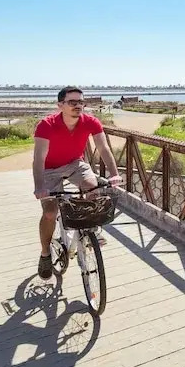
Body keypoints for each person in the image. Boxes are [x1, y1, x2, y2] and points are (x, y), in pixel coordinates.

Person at [32, 87, 121, 279]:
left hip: (74, 163)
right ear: (60, 105)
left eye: (81, 102)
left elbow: (103, 148)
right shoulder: (46, 125)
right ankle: (45, 253)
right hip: (49, 169)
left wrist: (114, 174)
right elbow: (38, 158)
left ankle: (92, 231)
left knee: (93, 187)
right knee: (49, 212)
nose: (78, 106)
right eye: (72, 102)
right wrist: (40, 187)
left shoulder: (90, 122)